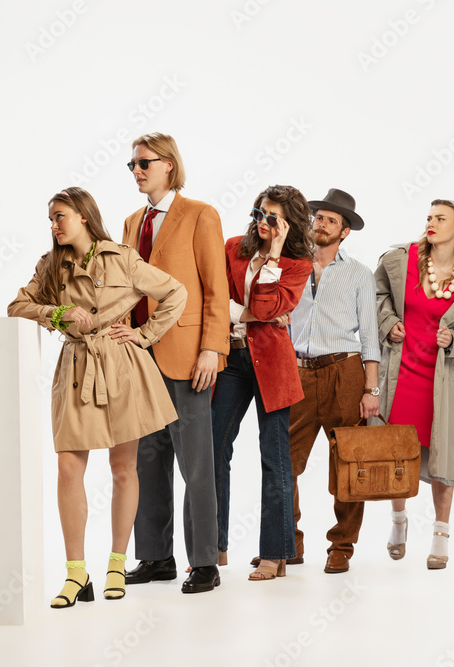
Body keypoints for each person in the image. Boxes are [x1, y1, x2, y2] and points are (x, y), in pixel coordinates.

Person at [8, 187, 186, 608]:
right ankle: (76, 574)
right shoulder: (51, 265)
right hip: (75, 368)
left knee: (123, 468)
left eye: (60, 216)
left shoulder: (121, 257)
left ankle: (116, 564)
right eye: (50, 218)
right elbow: (17, 305)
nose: (53, 225)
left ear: (84, 216)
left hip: (122, 367)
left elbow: (175, 292)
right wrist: (57, 313)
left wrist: (144, 335)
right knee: (69, 467)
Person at [122, 132, 230, 594]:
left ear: (169, 164)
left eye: (144, 162)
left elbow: (215, 288)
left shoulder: (200, 215)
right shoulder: (130, 222)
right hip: (139, 355)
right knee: (147, 459)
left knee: (197, 464)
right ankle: (155, 556)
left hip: (189, 357)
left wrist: (213, 347)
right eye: (132, 165)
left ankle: (204, 561)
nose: (137, 170)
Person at [374, 199, 454, 569]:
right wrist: (389, 321)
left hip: (438, 380)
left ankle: (441, 533)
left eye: (441, 218)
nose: (431, 223)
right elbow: (376, 297)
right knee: (397, 452)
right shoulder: (399, 260)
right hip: (400, 371)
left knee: (441, 456)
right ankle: (398, 523)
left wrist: (453, 342)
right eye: (429, 217)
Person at [277, 188, 382, 575]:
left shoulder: (358, 273)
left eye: (330, 221)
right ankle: (288, 543)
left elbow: (370, 334)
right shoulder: (291, 266)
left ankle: (342, 546)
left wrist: (371, 390)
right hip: (298, 372)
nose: (321, 224)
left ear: (344, 232)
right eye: (318, 217)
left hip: (345, 372)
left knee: (349, 464)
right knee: (283, 463)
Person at [212, 185, 313, 581]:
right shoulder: (233, 248)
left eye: (273, 217)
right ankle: (213, 547)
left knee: (274, 456)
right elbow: (217, 302)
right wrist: (249, 314)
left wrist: (274, 256)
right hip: (232, 358)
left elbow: (270, 306)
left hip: (273, 363)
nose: (263, 222)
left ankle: (275, 553)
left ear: (289, 224)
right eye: (259, 213)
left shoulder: (297, 263)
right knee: (214, 447)